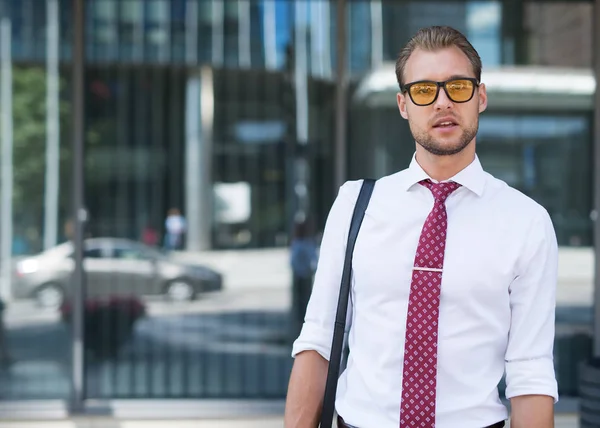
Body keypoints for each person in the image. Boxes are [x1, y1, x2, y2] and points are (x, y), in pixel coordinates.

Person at [284, 26, 557, 428]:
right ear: (403, 104)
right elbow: (319, 339)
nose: (443, 102)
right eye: (424, 90)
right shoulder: (356, 204)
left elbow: (530, 369)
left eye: (458, 87)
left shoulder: (526, 221)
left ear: (480, 97)